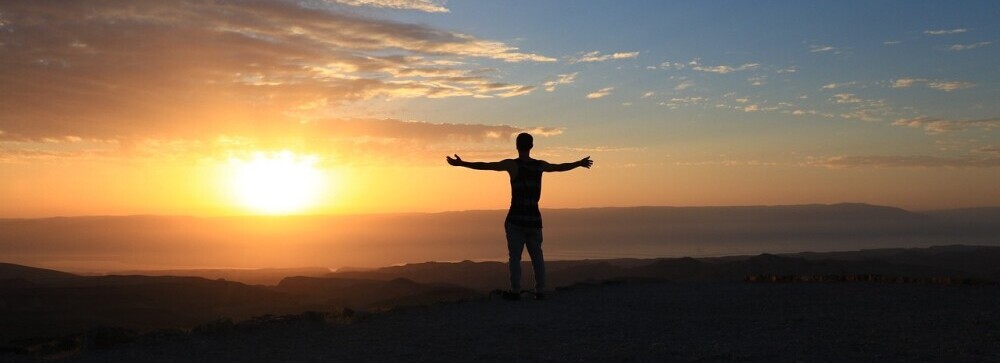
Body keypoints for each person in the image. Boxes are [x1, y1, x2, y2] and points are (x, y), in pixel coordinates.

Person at [446, 133, 593, 300]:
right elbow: (559, 167)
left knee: (515, 258)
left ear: (517, 146)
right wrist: (579, 163)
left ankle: (515, 291)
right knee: (537, 257)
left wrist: (462, 163)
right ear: (531, 146)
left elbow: (487, 166)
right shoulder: (539, 165)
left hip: (515, 219)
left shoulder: (512, 165)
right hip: (534, 220)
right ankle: (540, 291)